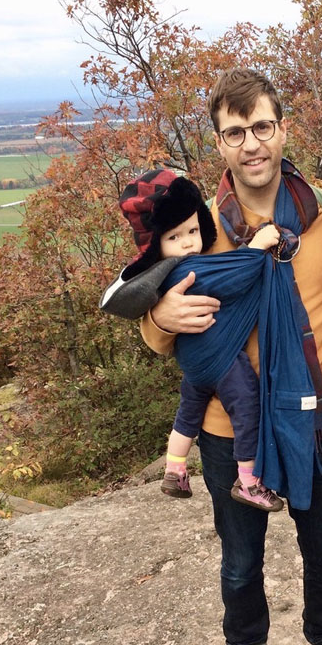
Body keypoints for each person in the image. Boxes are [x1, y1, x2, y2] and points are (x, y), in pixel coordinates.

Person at [138, 68, 322, 645]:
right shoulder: (195, 229)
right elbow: (149, 317)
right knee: (241, 557)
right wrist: (163, 320)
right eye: (234, 132)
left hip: (316, 415)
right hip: (228, 428)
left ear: (282, 130)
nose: (251, 144)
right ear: (218, 144)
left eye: (262, 127)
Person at [107, 169, 283, 512]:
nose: (188, 242)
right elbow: (239, 275)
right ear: (156, 245)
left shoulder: (167, 274)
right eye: (175, 237)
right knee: (248, 407)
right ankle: (248, 480)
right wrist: (259, 246)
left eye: (192, 231)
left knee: (187, 414)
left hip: (195, 367)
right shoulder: (191, 270)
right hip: (221, 362)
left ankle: (174, 469)